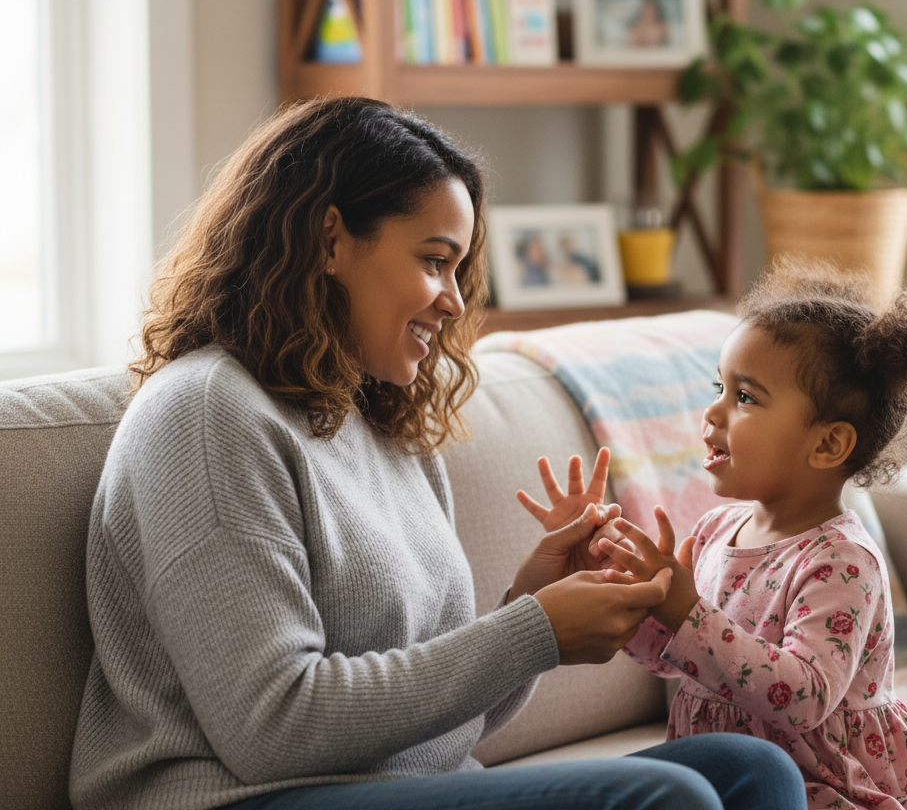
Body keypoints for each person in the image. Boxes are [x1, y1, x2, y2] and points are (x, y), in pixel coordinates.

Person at [69, 97, 807, 810]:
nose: (454, 301)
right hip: (245, 798)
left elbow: (433, 725)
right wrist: (530, 633)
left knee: (752, 769)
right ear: (329, 242)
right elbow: (274, 729)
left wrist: (527, 606)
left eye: (458, 269)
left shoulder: (380, 424)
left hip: (398, 788)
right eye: (434, 260)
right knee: (665, 796)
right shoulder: (206, 415)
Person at [524, 261, 907, 810]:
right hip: (722, 777)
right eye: (719, 388)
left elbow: (802, 697)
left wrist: (687, 611)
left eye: (745, 398)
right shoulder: (715, 531)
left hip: (820, 785)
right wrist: (608, 573)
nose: (713, 411)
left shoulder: (843, 561)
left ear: (827, 446)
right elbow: (672, 654)